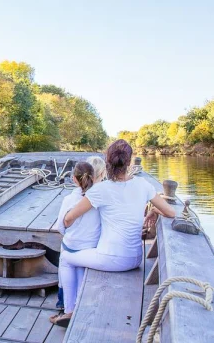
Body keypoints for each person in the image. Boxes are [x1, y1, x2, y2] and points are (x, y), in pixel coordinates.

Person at [49, 140, 176, 327]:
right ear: (130, 163)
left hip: (112, 258)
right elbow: (171, 212)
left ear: (107, 162)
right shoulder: (143, 185)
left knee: (67, 258)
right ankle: (74, 306)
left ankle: (69, 310)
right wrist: (154, 211)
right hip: (135, 258)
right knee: (81, 258)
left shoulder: (101, 190)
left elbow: (69, 219)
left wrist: (67, 215)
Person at [54, 162, 101, 312]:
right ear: (94, 177)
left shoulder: (69, 200)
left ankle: (68, 308)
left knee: (66, 259)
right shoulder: (99, 198)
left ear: (74, 179)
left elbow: (60, 226)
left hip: (72, 245)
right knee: (81, 268)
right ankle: (81, 306)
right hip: (91, 246)